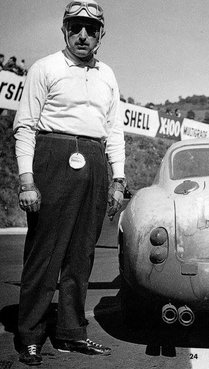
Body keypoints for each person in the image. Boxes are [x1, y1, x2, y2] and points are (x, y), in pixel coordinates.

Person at [13, 1, 126, 365]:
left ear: (100, 35)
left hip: (94, 162)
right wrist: (27, 180)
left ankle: (71, 333)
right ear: (64, 29)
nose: (82, 35)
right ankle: (29, 334)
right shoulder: (45, 67)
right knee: (44, 253)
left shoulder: (107, 74)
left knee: (81, 255)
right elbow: (25, 126)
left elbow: (114, 131)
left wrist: (118, 178)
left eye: (90, 29)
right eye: (75, 27)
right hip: (53, 156)